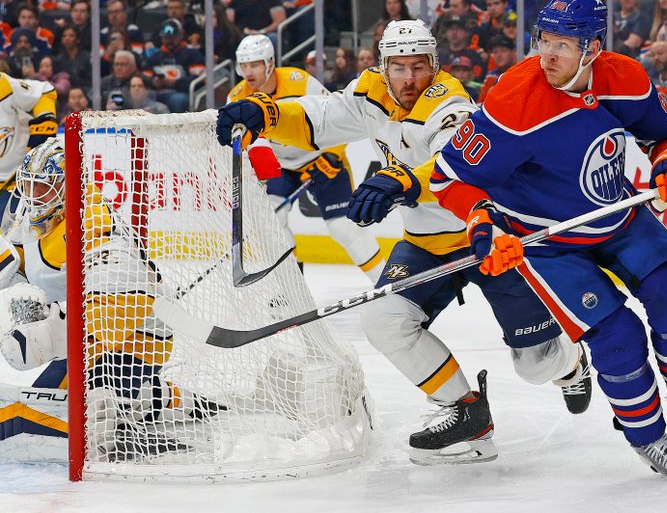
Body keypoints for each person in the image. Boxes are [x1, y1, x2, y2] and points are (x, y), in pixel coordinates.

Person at [216, 19, 592, 466]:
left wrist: (401, 181)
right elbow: (320, 117)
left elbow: (458, 169)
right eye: (399, 68)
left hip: (487, 236)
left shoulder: (449, 101)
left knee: (535, 367)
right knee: (385, 321)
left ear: (434, 65)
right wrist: (269, 115)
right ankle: (467, 412)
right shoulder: (371, 93)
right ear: (383, 67)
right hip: (427, 241)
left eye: (419, 67)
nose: (410, 78)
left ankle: (570, 362)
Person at [430, 0, 667, 481]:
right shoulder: (514, 101)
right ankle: (648, 436)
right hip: (547, 241)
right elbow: (448, 177)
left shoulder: (625, 78)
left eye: (563, 45)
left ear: (592, 47)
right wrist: (482, 223)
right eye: (543, 39)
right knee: (617, 337)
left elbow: (663, 134)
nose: (547, 54)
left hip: (616, 214)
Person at [0, 140, 221, 462]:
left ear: (67, 186)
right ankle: (158, 399)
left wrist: (46, 336)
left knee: (39, 417)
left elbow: (119, 309)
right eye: (28, 186)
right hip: (87, 337)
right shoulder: (34, 217)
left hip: (133, 341)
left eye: (43, 187)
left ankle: (126, 414)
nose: (33, 196)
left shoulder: (94, 225)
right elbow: (18, 264)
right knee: (70, 399)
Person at [226, 35, 385, 283]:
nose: (248, 72)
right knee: (273, 224)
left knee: (343, 227)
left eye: (254, 64)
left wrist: (334, 153)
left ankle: (387, 285)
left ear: (270, 63)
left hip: (321, 158)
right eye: (243, 66)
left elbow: (336, 114)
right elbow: (242, 146)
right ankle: (292, 288)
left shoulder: (299, 82)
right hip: (280, 165)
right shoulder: (237, 98)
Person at [0, 71, 57, 218]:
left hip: (15, 184)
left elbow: (44, 91)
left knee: (11, 235)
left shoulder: (4, 85)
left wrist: (43, 129)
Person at [143, 19, 206, 113]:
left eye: (172, 38)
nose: (169, 41)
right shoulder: (155, 57)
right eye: (166, 38)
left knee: (179, 100)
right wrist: (153, 82)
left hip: (181, 93)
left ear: (180, 36)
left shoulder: (192, 54)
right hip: (156, 93)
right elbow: (144, 79)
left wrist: (174, 83)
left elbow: (198, 80)